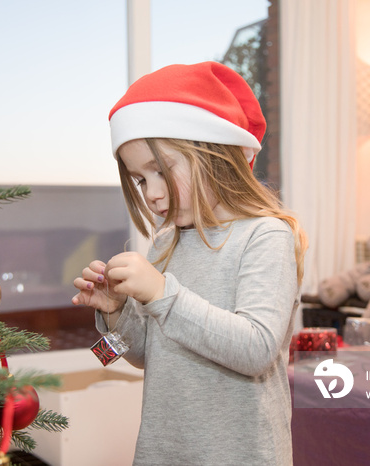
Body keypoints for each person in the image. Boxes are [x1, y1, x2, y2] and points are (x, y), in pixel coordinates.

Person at [71, 61, 307, 466]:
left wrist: (163, 293)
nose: (152, 194)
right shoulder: (166, 243)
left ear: (213, 154)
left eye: (160, 171)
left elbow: (256, 350)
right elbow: (147, 355)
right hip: (164, 453)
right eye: (140, 180)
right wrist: (116, 315)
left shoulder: (265, 236)